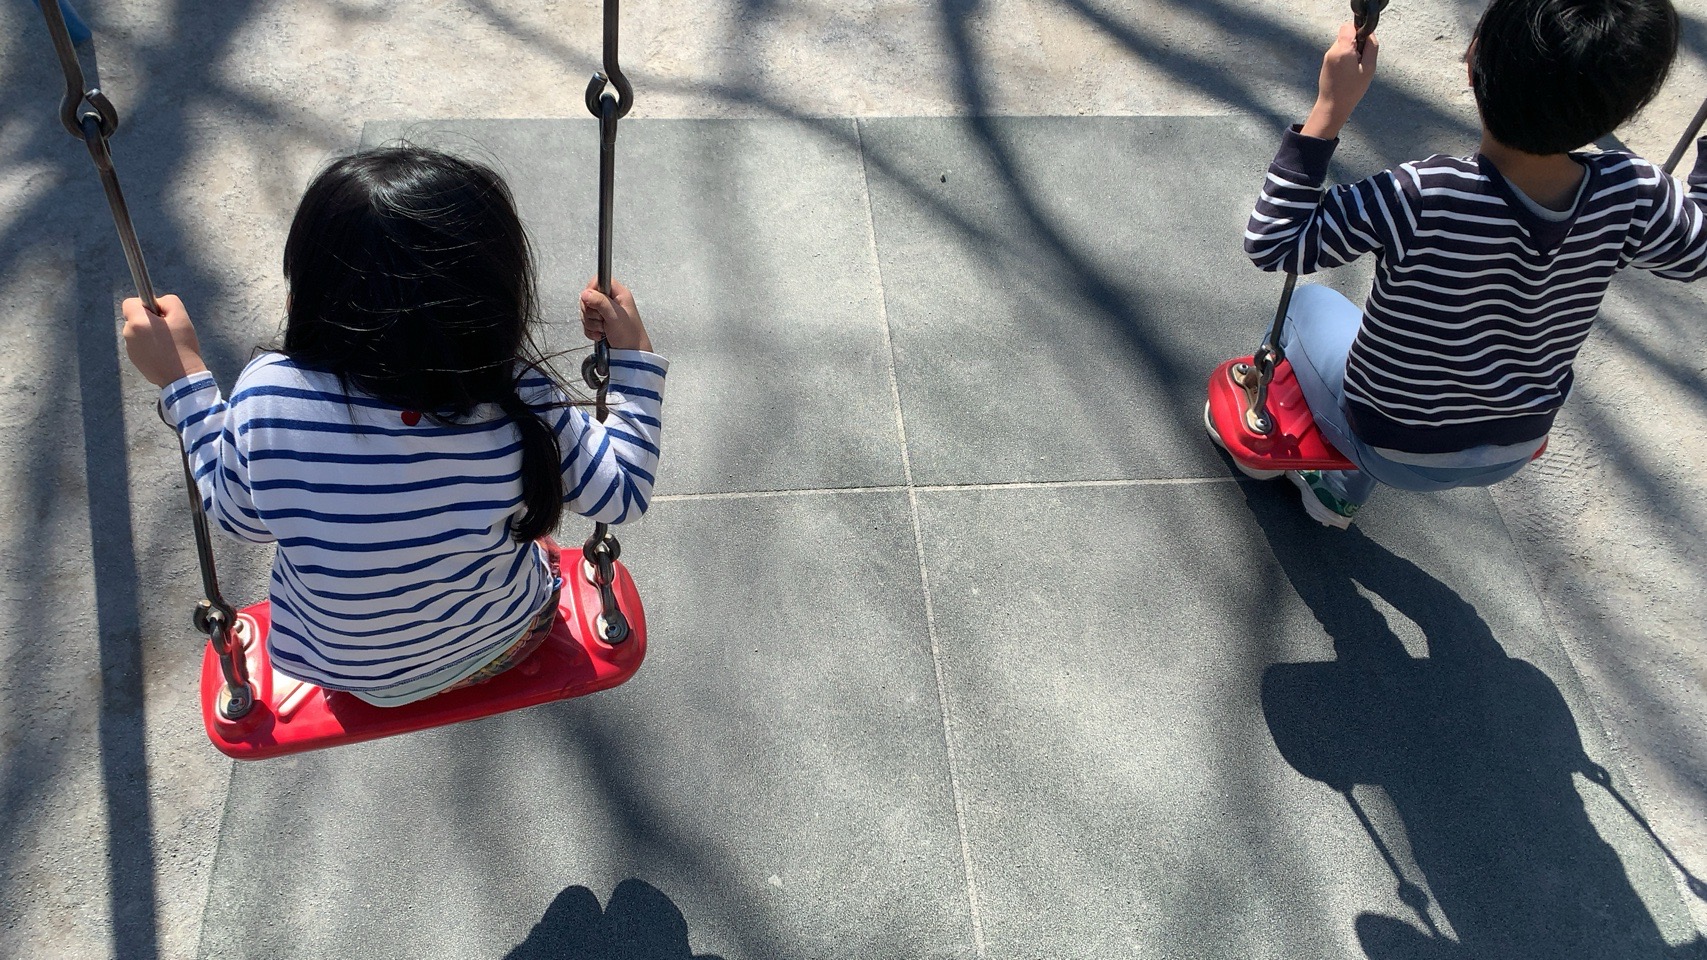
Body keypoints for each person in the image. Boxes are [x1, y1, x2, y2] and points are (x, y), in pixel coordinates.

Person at [119, 146, 667, 706]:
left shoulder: (268, 397)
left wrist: (183, 379)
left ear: (306, 295)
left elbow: (239, 517)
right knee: (527, 533)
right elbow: (622, 493)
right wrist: (633, 354)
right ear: (499, 301)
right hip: (504, 642)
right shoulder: (519, 397)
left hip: (343, 672)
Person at [1230, 0, 1706, 528]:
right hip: (1514, 446)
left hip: (1387, 442)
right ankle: (1334, 492)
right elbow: (1699, 250)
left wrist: (1329, 109)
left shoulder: (1422, 193)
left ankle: (1310, 465)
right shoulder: (1636, 194)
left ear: (1474, 60)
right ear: (1630, 104)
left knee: (1308, 304)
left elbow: (1274, 242)